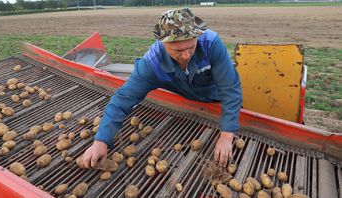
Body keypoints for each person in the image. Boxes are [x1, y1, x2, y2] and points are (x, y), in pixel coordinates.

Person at [82, 7, 242, 168]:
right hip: (190, 104)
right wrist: (101, 140)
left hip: (219, 101)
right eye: (178, 50)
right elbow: (122, 100)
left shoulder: (211, 44)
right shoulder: (152, 64)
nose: (186, 55)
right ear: (163, 43)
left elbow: (230, 88)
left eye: (190, 47)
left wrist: (227, 135)